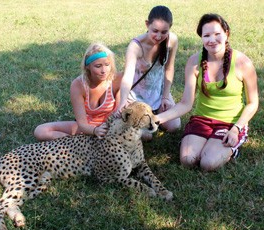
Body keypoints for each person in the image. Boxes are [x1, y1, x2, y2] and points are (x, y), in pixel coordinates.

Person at [157, 13, 259, 171]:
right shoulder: (193, 62)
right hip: (201, 120)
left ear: (227, 34)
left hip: (230, 123)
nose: (212, 40)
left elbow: (253, 103)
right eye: (206, 35)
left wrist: (236, 128)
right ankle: (197, 143)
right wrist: (157, 118)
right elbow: (185, 103)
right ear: (201, 38)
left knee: (207, 163)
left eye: (217, 34)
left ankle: (232, 147)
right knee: (188, 160)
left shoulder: (242, 63)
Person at [34, 43, 122, 141]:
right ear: (88, 67)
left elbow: (119, 117)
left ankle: (81, 144)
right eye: (98, 66)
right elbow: (82, 124)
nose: (104, 70)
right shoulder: (78, 85)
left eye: (107, 65)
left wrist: (107, 129)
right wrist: (95, 130)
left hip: (111, 128)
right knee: (41, 131)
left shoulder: (117, 80)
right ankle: (75, 145)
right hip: (87, 128)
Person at [116, 5, 181, 139]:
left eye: (164, 32)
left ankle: (155, 112)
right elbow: (127, 76)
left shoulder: (172, 40)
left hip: (158, 92)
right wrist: (123, 101)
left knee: (174, 126)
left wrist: (165, 96)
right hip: (137, 96)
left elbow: (169, 68)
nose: (158, 36)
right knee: (146, 136)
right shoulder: (136, 46)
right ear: (147, 24)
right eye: (155, 30)